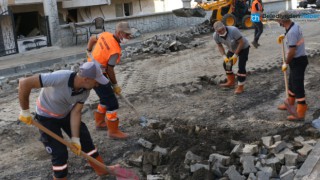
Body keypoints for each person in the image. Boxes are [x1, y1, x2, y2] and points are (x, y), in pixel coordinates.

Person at [18, 62, 115, 179]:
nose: (98, 84)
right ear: (86, 79)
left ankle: (102, 170)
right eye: (96, 81)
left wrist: (75, 139)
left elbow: (76, 112)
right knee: (59, 153)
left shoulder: (85, 90)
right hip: (46, 117)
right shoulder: (60, 77)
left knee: (85, 141)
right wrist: (25, 111)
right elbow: (24, 83)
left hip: (66, 113)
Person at [86, 21, 132, 139]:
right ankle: (113, 131)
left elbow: (92, 39)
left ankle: (100, 123)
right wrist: (115, 85)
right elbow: (110, 70)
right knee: (112, 103)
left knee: (105, 97)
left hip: (91, 69)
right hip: (97, 74)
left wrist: (88, 51)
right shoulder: (115, 50)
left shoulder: (105, 34)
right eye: (126, 35)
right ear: (119, 33)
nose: (128, 37)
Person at [276, 10, 308, 121]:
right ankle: (289, 103)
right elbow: (292, 35)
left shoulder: (292, 32)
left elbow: (292, 51)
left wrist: (286, 63)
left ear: (282, 21)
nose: (278, 22)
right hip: (297, 60)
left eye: (279, 20)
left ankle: (301, 110)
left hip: (298, 60)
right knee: (291, 83)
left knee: (297, 86)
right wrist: (284, 36)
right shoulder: (293, 25)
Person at [213, 21, 250, 94]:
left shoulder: (233, 30)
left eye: (223, 29)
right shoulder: (215, 36)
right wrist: (224, 56)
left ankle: (240, 86)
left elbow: (241, 42)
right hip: (232, 49)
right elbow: (219, 45)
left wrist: (235, 55)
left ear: (224, 26)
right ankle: (231, 81)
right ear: (216, 31)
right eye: (219, 31)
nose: (222, 31)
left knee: (241, 67)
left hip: (243, 48)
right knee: (227, 64)